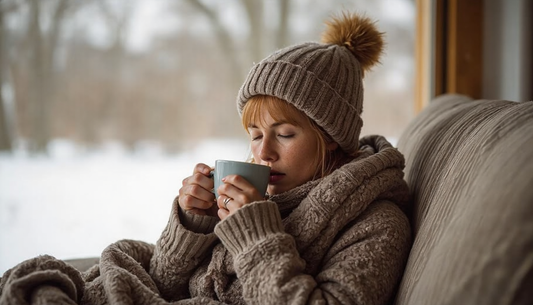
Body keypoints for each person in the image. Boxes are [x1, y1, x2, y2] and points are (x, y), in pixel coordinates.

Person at [0, 11, 411, 305]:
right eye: (254, 135)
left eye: (284, 134)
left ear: (332, 139)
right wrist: (194, 226)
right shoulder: (277, 195)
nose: (262, 152)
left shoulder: (377, 225)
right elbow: (165, 282)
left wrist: (256, 237)